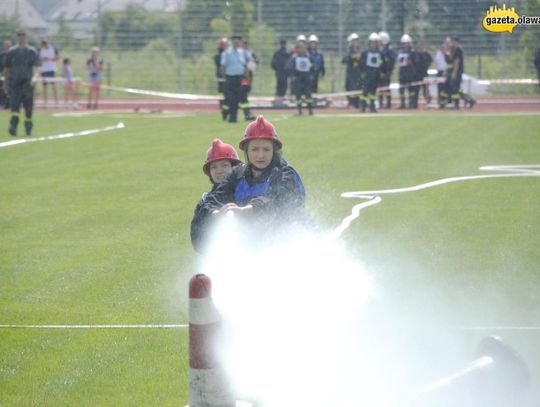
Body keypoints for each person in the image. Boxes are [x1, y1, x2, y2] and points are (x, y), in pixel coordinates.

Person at [203, 115, 308, 238]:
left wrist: (246, 210)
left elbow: (276, 201)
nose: (260, 155)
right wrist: (215, 213)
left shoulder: (285, 174)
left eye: (266, 149)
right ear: (246, 151)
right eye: (254, 149)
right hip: (251, 240)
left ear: (274, 151)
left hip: (289, 238)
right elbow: (212, 201)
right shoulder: (237, 175)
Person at [190, 138, 242, 253]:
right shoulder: (205, 201)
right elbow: (197, 240)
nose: (219, 171)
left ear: (235, 168)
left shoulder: (245, 193)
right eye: (214, 167)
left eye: (224, 165)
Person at [3, 29, 40, 137]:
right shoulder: (11, 51)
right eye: (19, 35)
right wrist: (5, 83)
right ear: (16, 37)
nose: (21, 37)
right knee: (15, 107)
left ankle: (28, 127)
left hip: (27, 83)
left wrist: (35, 77)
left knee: (28, 108)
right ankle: (13, 127)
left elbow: (38, 67)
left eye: (23, 35)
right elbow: (7, 69)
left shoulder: (31, 51)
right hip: (15, 83)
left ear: (26, 37)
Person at [220, 35, 248, 123]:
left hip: (240, 78)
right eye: (234, 41)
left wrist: (246, 77)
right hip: (231, 77)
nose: (236, 42)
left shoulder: (241, 52)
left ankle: (247, 114)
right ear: (232, 42)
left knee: (242, 96)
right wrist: (225, 78)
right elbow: (222, 66)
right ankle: (232, 117)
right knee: (232, 98)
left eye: (238, 41)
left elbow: (245, 66)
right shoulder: (227, 53)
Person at [445, 36, 475, 109]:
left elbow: (456, 62)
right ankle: (468, 100)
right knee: (456, 88)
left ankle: (458, 103)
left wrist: (454, 73)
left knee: (455, 88)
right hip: (457, 72)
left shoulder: (458, 50)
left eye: (452, 42)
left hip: (457, 72)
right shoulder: (455, 50)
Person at [286, 40, 314, 115]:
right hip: (298, 78)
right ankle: (300, 110)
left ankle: (310, 110)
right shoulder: (294, 58)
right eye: (300, 48)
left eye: (303, 47)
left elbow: (312, 67)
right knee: (298, 95)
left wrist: (311, 75)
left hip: (306, 79)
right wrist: (292, 76)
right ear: (298, 49)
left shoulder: (308, 57)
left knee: (308, 95)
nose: (302, 49)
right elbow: (289, 67)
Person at [360, 32, 386, 113]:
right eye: (372, 42)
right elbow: (361, 63)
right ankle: (363, 106)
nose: (373, 44)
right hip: (367, 73)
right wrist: (362, 72)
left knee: (373, 91)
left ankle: (372, 106)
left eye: (375, 42)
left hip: (376, 74)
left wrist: (382, 72)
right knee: (365, 91)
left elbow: (382, 63)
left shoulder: (380, 53)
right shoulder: (365, 53)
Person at [397, 33, 418, 109]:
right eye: (404, 43)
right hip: (402, 72)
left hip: (410, 73)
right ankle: (402, 103)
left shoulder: (412, 53)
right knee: (401, 89)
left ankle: (411, 103)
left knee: (411, 90)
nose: (405, 45)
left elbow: (415, 63)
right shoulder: (400, 52)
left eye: (407, 43)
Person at [239, 39, 258, 121]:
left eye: (247, 44)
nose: (245, 46)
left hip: (247, 77)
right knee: (243, 94)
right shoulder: (240, 53)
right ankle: (247, 113)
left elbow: (257, 61)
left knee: (245, 93)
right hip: (242, 77)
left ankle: (247, 113)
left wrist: (253, 62)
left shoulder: (250, 53)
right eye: (244, 44)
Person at [342, 33, 362, 108]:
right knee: (348, 87)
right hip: (350, 73)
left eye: (356, 41)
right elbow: (344, 60)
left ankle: (356, 103)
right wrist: (351, 57)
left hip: (358, 73)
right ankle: (351, 102)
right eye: (353, 41)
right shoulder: (348, 51)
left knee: (357, 87)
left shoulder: (359, 50)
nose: (355, 43)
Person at [378, 31, 396, 109]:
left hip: (386, 73)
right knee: (381, 89)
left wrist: (387, 72)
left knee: (386, 88)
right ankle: (381, 103)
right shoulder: (381, 50)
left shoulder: (388, 51)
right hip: (380, 73)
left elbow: (390, 62)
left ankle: (388, 103)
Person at [39, 38, 59, 107]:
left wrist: (50, 59)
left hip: (51, 69)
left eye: (46, 43)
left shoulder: (53, 49)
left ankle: (56, 101)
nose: (45, 45)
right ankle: (45, 102)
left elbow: (57, 58)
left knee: (53, 86)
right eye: (44, 44)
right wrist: (43, 59)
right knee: (44, 86)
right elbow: (39, 59)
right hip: (44, 70)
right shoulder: (41, 50)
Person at [415, 40, 433, 106]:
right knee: (416, 89)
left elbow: (430, 61)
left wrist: (427, 66)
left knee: (425, 89)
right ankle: (414, 103)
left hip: (424, 74)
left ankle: (428, 101)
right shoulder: (415, 54)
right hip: (417, 74)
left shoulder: (426, 54)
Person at [214, 37, 228, 120]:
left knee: (221, 92)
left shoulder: (218, 56)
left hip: (221, 77)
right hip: (224, 77)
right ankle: (223, 105)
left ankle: (222, 104)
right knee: (224, 93)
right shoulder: (221, 56)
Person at [434, 42, 448, 108]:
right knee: (440, 88)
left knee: (445, 88)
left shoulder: (447, 54)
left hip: (446, 72)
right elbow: (436, 63)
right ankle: (440, 101)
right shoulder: (438, 55)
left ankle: (445, 101)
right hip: (440, 72)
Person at [0, 40, 12, 109]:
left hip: (12, 76)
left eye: (8, 45)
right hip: (2, 76)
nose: (7, 47)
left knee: (12, 90)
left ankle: (11, 103)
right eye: (6, 45)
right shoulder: (1, 55)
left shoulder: (14, 55)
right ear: (4, 46)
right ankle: (3, 104)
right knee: (2, 90)